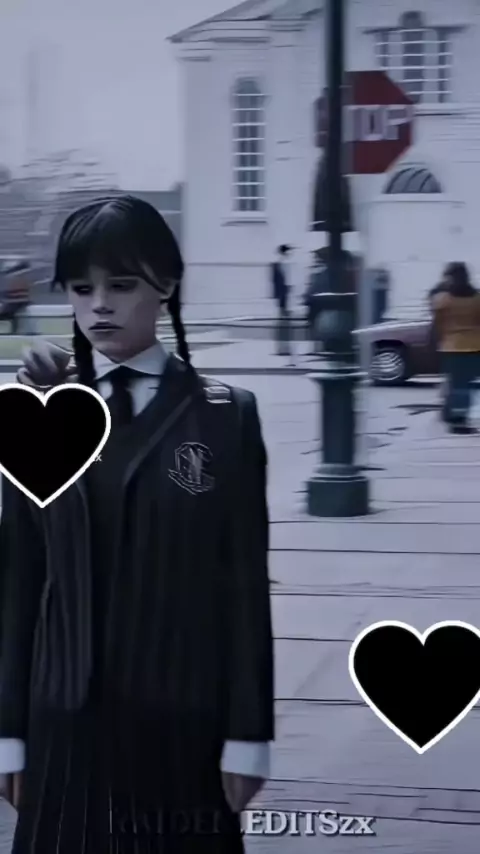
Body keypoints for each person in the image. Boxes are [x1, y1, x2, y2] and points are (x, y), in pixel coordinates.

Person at [0, 195, 274, 853]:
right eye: (82, 288)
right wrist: (9, 732)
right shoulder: (38, 416)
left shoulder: (225, 417)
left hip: (184, 723)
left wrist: (249, 734)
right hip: (62, 725)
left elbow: (243, 587)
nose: (100, 305)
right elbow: (18, 581)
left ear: (165, 285)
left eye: (121, 285)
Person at [432, 261, 480, 433]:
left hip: (451, 347)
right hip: (473, 347)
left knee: (456, 385)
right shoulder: (477, 298)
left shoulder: (442, 299)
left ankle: (455, 418)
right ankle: (456, 417)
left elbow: (436, 325)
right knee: (464, 386)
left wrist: (435, 345)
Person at [270, 244, 294, 364]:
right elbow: (278, 282)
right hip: (283, 296)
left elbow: (275, 282)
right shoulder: (280, 264)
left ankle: (282, 347)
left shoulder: (279, 264)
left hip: (283, 295)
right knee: (284, 320)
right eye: (288, 251)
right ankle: (283, 347)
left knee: (283, 320)